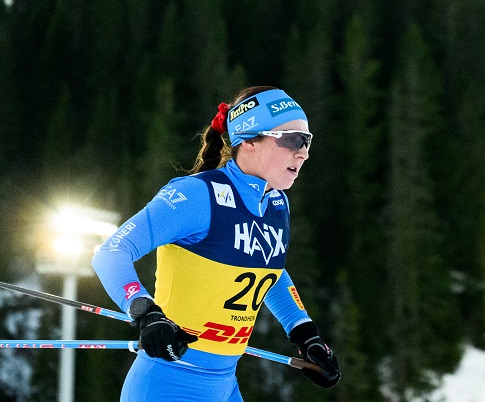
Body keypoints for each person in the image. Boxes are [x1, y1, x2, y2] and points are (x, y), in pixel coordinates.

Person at [92, 86, 341, 401]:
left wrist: (306, 334)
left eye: (307, 141)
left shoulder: (276, 204)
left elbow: (270, 272)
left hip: (223, 386)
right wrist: (146, 312)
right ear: (249, 139)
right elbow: (112, 252)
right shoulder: (196, 196)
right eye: (293, 139)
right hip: (167, 384)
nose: (303, 152)